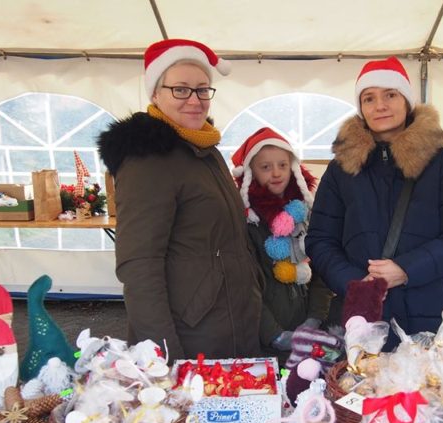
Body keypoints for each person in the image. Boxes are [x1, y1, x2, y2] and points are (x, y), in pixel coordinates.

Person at [98, 39, 262, 361]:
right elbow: (139, 266)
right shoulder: (147, 160)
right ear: (156, 94)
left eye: (203, 90)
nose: (195, 100)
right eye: (181, 90)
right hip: (191, 335)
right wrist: (164, 356)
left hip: (231, 321)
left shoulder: (205, 149)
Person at [306, 56, 443, 344]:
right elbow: (320, 239)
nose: (380, 105)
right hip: (365, 317)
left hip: (432, 313)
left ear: (406, 101)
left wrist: (406, 270)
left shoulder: (441, 163)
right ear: (361, 108)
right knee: (362, 385)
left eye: (390, 95)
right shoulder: (342, 168)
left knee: (430, 386)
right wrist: (353, 282)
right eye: (369, 98)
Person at [231, 128, 332, 361]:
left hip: (309, 334)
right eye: (265, 167)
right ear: (251, 173)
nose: (276, 173)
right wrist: (273, 333)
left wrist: (315, 317)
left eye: (283, 165)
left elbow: (322, 271)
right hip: (262, 340)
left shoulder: (306, 213)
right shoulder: (245, 222)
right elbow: (243, 286)